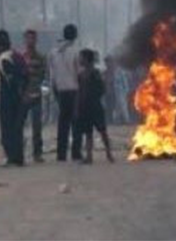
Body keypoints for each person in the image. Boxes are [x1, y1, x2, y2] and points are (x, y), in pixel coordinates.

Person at [76, 49, 115, 163]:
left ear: (87, 59)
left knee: (102, 131)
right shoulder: (81, 75)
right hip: (85, 107)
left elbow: (102, 89)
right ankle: (89, 156)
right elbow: (79, 92)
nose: (80, 60)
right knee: (88, 132)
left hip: (95, 106)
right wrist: (78, 107)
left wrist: (93, 97)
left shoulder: (95, 73)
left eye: (81, 57)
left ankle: (109, 153)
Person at [0, 30, 27, 166]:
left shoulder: (3, 59)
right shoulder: (17, 55)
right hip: (19, 98)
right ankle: (18, 157)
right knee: (17, 128)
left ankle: (12, 157)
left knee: (7, 129)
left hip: (8, 98)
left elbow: (11, 79)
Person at [51, 24, 82, 162]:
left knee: (63, 124)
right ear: (75, 35)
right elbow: (79, 73)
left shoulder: (54, 52)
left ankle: (61, 154)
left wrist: (55, 89)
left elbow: (51, 74)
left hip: (60, 91)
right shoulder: (76, 51)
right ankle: (76, 153)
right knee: (76, 122)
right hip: (74, 91)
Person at [22, 29, 48, 162]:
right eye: (28, 38)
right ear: (25, 40)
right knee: (20, 125)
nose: (30, 41)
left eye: (32, 38)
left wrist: (42, 91)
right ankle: (20, 151)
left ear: (36, 40)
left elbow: (45, 77)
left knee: (37, 126)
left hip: (36, 95)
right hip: (23, 95)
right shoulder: (21, 57)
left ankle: (37, 153)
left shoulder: (41, 58)